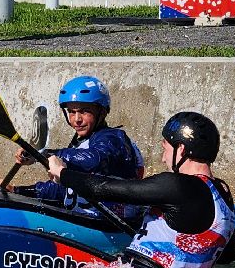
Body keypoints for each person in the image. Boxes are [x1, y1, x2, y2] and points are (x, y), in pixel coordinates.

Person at [45, 111, 235, 268]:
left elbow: (105, 189)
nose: (163, 158)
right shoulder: (223, 195)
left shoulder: (176, 185)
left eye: (165, 149)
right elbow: (228, 254)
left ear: (181, 149)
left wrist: (62, 173)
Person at [16, 74, 145, 221]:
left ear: (102, 112)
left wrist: (44, 154)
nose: (77, 119)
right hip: (82, 222)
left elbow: (94, 159)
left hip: (112, 226)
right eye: (72, 112)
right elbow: (63, 191)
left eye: (84, 111)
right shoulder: (81, 144)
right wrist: (18, 191)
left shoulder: (114, 138)